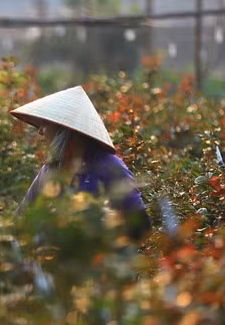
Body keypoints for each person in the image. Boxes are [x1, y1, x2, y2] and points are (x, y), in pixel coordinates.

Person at [11, 85, 152, 241]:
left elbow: (140, 228)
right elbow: (22, 218)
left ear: (64, 130)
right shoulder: (50, 170)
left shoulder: (109, 167)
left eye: (46, 123)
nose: (40, 131)